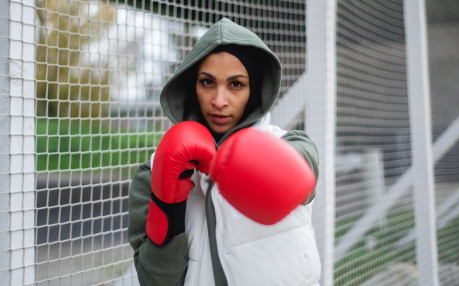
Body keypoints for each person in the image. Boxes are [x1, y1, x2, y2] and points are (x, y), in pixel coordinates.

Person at [128, 18, 321, 285]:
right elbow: (154, 281)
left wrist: (242, 162)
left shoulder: (292, 143)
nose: (219, 101)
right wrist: (168, 208)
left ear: (254, 89)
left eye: (236, 84)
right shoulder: (153, 171)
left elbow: (305, 175)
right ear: (192, 87)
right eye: (207, 82)